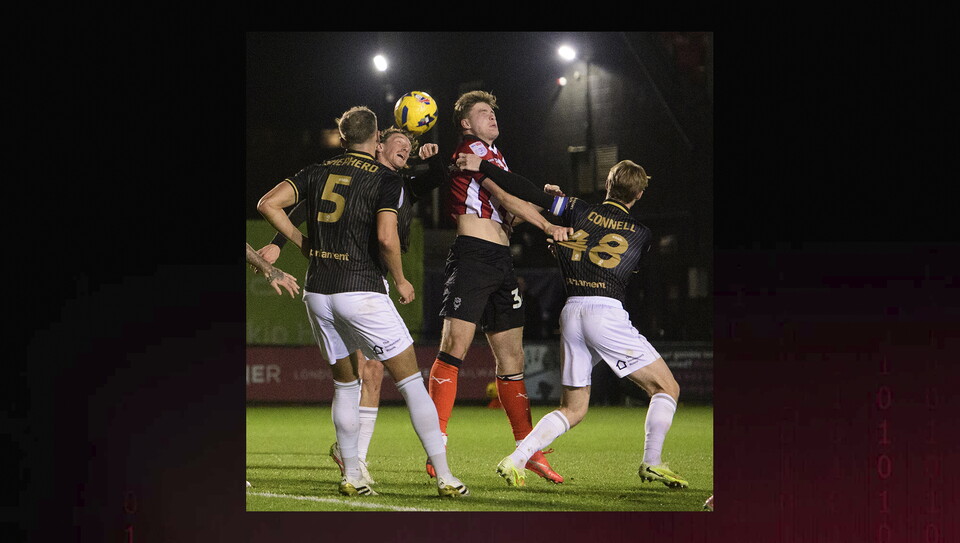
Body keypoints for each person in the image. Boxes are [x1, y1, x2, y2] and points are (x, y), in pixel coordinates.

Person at [257, 106, 468, 497]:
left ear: (341, 137)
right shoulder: (385, 180)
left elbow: (268, 203)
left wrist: (303, 244)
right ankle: (446, 477)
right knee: (411, 383)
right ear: (376, 140)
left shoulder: (317, 170)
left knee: (345, 386)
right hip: (362, 288)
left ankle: (352, 474)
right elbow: (387, 238)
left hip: (318, 291)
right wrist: (402, 279)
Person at [490, 160, 689, 490]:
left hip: (572, 311)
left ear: (607, 184)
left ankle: (516, 459)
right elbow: (616, 267)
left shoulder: (577, 209)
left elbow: (529, 194)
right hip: (605, 311)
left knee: (573, 408)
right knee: (667, 388)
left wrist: (486, 171)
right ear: (639, 194)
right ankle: (652, 462)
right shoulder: (642, 233)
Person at [425, 90, 572, 484]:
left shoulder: (496, 157)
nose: (491, 117)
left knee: (513, 361)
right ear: (466, 124)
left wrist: (542, 207)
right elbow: (507, 195)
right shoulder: (472, 151)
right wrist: (549, 222)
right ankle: (435, 443)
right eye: (482, 112)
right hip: (473, 256)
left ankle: (528, 450)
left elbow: (508, 212)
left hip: (501, 261)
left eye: (493, 111)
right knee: (453, 347)